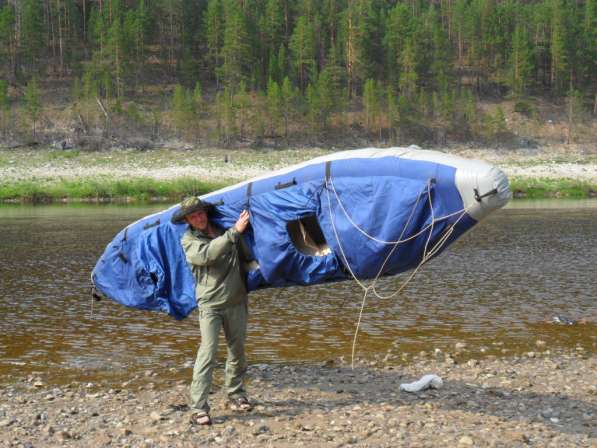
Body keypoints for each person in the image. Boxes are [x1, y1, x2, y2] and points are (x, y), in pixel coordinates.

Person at [171, 197, 253, 426]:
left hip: (236, 300)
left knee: (237, 350)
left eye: (200, 213)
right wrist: (234, 232)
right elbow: (207, 255)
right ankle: (199, 408)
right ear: (187, 220)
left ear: (205, 213)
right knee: (208, 353)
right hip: (210, 305)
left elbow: (245, 255)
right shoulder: (189, 240)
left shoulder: (224, 227)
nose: (198, 218)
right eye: (192, 216)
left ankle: (236, 395)